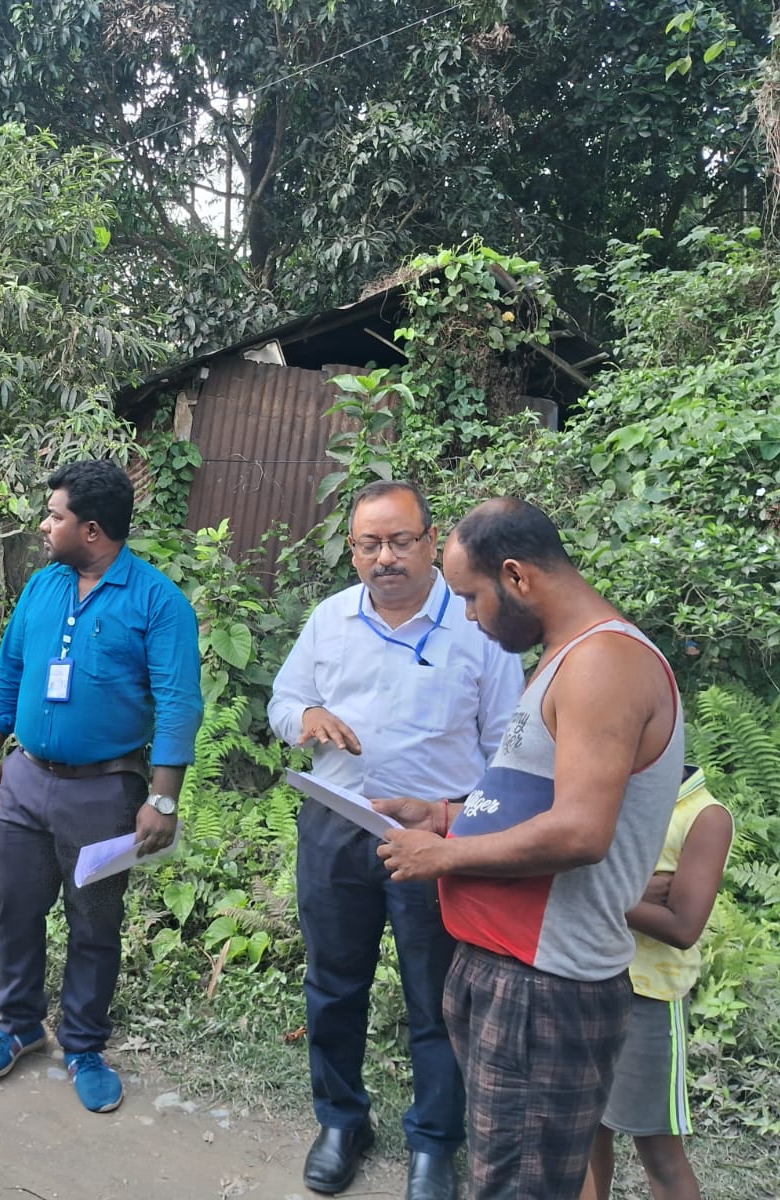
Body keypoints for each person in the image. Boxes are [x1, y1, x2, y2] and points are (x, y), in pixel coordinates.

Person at [374, 497, 685, 1200]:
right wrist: (445, 817)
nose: (469, 617)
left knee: (519, 1187)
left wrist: (444, 857)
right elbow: (529, 801)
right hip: (506, 973)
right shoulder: (564, 658)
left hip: (542, 988)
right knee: (508, 1175)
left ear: (515, 576)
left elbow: (580, 831)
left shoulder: (604, 662)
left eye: (471, 597)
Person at [268, 481, 524, 1200]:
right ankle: (341, 1121)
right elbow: (283, 700)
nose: (385, 558)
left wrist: (453, 819)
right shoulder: (330, 619)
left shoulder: (477, 625)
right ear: (352, 551)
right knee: (332, 985)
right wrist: (306, 717)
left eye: (400, 540)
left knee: (437, 998)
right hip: (335, 826)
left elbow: (507, 752)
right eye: (369, 544)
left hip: (435, 839)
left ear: (430, 541)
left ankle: (435, 1143)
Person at [0, 459, 203, 1114]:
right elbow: (10, 668)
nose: (45, 526)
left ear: (92, 529)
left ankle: (84, 1043)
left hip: (105, 792)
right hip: (25, 780)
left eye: (55, 516)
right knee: (14, 906)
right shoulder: (43, 586)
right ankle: (18, 1025)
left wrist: (162, 798)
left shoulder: (158, 602)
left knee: (95, 920)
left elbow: (179, 704)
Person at [581, 766, 733, 1200]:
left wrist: (600, 893)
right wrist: (628, 893)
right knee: (585, 1134)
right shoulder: (606, 791)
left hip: (648, 1000)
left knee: (658, 1150)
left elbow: (683, 926)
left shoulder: (704, 816)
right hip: (585, 979)